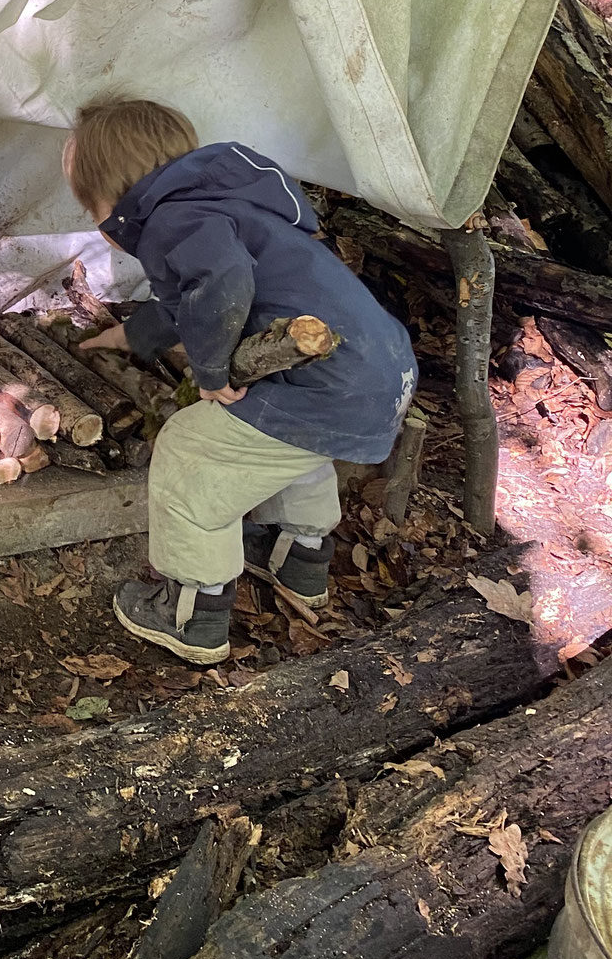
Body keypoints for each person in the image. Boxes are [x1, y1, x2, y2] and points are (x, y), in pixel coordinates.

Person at [63, 97, 417, 667]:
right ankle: (296, 554)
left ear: (119, 202)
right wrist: (135, 335)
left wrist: (211, 371)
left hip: (325, 377)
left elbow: (221, 281)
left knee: (191, 448)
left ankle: (192, 611)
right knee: (292, 443)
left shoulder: (175, 219)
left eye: (93, 206)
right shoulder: (221, 203)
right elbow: (189, 294)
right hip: (372, 371)